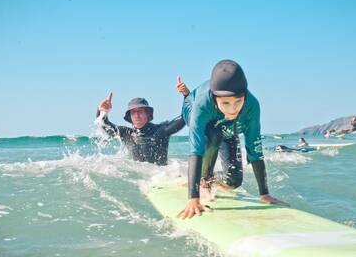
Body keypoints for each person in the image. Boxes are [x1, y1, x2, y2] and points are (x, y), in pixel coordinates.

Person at [176, 60, 289, 219]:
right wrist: (193, 199)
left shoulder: (252, 106)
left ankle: (208, 177)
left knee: (234, 182)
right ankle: (204, 181)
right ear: (215, 98)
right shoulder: (201, 104)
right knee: (213, 136)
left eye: (238, 102)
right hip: (193, 109)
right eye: (226, 103)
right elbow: (196, 149)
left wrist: (264, 194)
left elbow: (254, 148)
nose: (232, 109)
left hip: (226, 126)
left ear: (244, 96)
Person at [96, 90, 186, 166]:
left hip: (162, 175)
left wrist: (186, 96)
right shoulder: (126, 133)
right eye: (133, 112)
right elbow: (103, 125)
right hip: (141, 179)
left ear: (147, 114)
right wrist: (102, 111)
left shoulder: (161, 130)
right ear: (130, 116)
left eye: (140, 111)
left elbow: (184, 117)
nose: (137, 115)